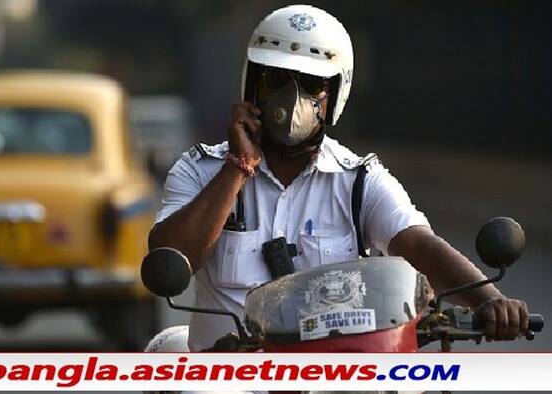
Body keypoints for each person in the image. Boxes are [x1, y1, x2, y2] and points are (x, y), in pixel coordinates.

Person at [148, 4, 529, 351]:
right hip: (227, 380)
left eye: (311, 84)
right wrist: (237, 169)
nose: (291, 96)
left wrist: (491, 301)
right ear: (253, 84)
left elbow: (419, 245)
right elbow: (171, 257)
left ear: (335, 93)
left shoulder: (360, 181)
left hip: (337, 376)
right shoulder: (200, 171)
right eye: (276, 79)